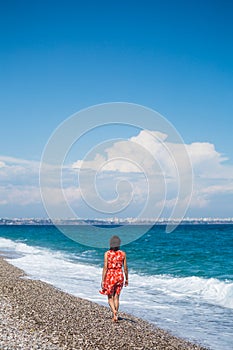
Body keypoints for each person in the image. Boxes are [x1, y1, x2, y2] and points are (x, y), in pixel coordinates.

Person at [99, 235, 128, 322]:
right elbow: (125, 267)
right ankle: (116, 314)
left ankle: (114, 312)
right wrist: (127, 279)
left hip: (110, 275)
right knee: (117, 296)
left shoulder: (107, 254)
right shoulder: (123, 254)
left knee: (110, 296)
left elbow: (105, 267)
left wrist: (103, 280)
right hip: (119, 275)